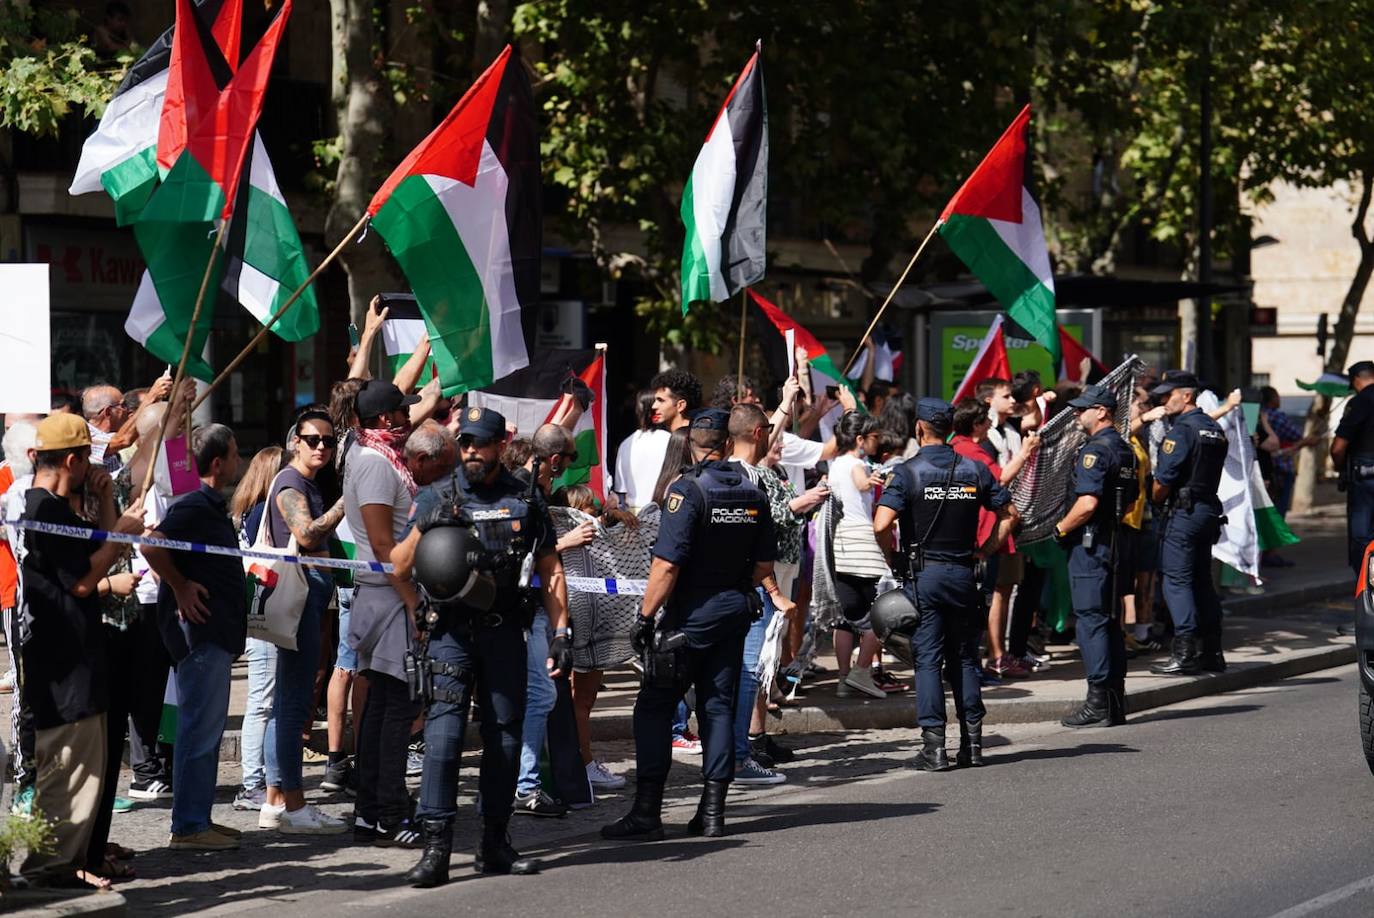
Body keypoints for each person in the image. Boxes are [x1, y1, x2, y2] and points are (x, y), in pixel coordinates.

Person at [393, 407, 573, 886]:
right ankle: (436, 848)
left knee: (505, 737)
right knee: (444, 738)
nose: (473, 450)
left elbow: (550, 567)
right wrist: (417, 608)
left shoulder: (525, 497)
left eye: (482, 443)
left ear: (500, 445)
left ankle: (495, 843)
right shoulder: (437, 495)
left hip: (503, 631)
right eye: (467, 442)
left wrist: (561, 632)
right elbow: (397, 565)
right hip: (450, 635)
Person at [601, 408, 778, 840]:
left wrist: (645, 618)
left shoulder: (687, 490)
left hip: (690, 617)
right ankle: (712, 813)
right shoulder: (753, 493)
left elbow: (666, 565)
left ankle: (647, 813)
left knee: (654, 706)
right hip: (732, 612)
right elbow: (763, 566)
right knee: (717, 708)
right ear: (726, 443)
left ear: (691, 445)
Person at [18, 415, 145, 888]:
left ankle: (68, 863)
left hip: (75, 656)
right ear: (72, 460)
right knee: (66, 768)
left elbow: (102, 549)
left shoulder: (52, 506)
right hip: (63, 660)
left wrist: (110, 504)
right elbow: (84, 581)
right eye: (88, 459)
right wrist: (121, 534)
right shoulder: (44, 510)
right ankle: (48, 869)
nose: (91, 467)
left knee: (82, 768)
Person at [874, 398, 1018, 771]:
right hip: (964, 574)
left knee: (927, 659)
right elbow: (1010, 514)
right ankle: (973, 745)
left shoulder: (907, 472)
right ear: (950, 428)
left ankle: (934, 748)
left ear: (919, 428)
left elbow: (881, 523)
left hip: (926, 577)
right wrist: (984, 551)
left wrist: (892, 557)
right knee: (965, 658)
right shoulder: (974, 469)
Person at [142, 423, 246, 850]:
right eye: (235, 453)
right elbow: (151, 545)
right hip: (201, 636)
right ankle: (188, 826)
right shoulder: (194, 505)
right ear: (218, 463)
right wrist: (181, 586)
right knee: (198, 732)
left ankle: (197, 818)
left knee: (206, 730)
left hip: (213, 635)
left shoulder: (205, 503)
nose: (240, 460)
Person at [256, 408, 349, 834]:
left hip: (308, 597)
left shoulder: (305, 481)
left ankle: (275, 801)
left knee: (288, 702)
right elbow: (307, 534)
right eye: (313, 439)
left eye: (329, 441)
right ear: (296, 441)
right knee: (293, 704)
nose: (322, 447)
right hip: (299, 597)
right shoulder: (291, 482)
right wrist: (346, 502)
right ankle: (293, 805)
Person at [342, 379, 422, 846]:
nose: (408, 418)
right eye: (402, 412)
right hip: (389, 596)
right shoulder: (374, 462)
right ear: (385, 418)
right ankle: (388, 812)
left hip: (386, 594)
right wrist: (412, 601)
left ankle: (370, 811)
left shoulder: (372, 452)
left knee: (383, 706)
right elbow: (380, 543)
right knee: (395, 710)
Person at [1053, 385, 1136, 727]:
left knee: (1091, 621)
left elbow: (1087, 503)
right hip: (1115, 542)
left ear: (1102, 411)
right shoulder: (1125, 449)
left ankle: (1098, 702)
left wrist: (1060, 528)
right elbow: (1129, 503)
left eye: (1082, 409)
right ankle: (1115, 701)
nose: (1076, 413)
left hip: (1091, 544)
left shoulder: (1095, 451)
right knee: (1109, 621)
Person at [1148, 372, 1229, 676]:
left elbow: (1163, 482)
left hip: (1183, 514)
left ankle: (1184, 652)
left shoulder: (1181, 431)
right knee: (1201, 581)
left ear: (1186, 395)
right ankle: (1212, 651)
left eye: (1168, 395)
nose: (1163, 401)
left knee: (1176, 581)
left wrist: (1155, 499)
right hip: (1207, 511)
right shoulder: (1213, 428)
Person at [228, 446, 285, 812]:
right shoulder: (265, 512)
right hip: (265, 612)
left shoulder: (249, 510)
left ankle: (260, 779)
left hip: (258, 609)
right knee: (262, 700)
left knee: (264, 698)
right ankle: (252, 783)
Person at [827, 411, 894, 699]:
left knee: (845, 618)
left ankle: (844, 679)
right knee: (884, 612)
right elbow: (861, 482)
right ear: (859, 439)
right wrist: (873, 480)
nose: (877, 442)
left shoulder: (835, 464)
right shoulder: (856, 464)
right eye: (874, 437)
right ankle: (861, 672)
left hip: (839, 546)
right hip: (862, 547)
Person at [1330, 361, 1374, 572]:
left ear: (1357, 380)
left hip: (1365, 475)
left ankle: (1367, 581)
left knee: (1362, 535)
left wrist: (1340, 467)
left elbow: (1338, 448)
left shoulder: (1360, 402)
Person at [613, 389, 669, 513]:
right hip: (662, 512)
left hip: (632, 515)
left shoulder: (626, 444)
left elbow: (621, 491)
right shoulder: (670, 440)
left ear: (638, 411)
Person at [648, 369, 703, 433]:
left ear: (681, 405)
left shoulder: (695, 437)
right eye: (655, 400)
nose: (653, 406)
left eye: (661, 400)